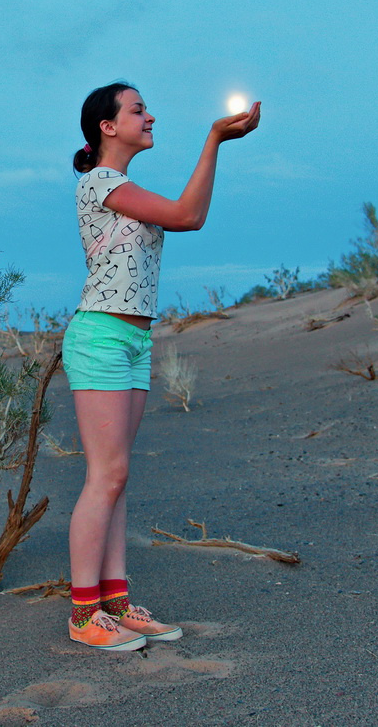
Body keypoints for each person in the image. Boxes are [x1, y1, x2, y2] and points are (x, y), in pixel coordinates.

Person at [63, 82, 261, 650]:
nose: (149, 117)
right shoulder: (100, 182)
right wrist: (214, 139)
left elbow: (185, 214)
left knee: (117, 477)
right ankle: (83, 614)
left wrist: (216, 141)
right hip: (101, 336)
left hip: (133, 339)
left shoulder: (123, 186)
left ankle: (116, 602)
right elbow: (186, 216)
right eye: (138, 110)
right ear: (107, 127)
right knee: (106, 476)